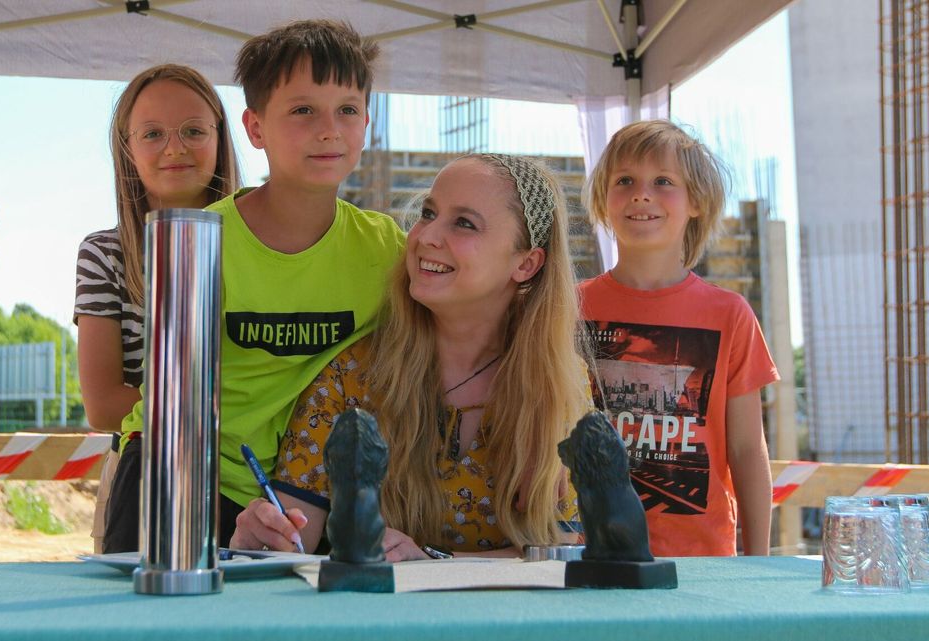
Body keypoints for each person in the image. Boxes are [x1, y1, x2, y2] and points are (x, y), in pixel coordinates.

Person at [105, 20, 406, 553]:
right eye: (302, 110)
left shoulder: (385, 249)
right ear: (255, 127)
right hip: (174, 472)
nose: (329, 129)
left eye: (348, 109)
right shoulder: (199, 242)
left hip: (303, 498)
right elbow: (174, 398)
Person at [230, 154, 591, 561]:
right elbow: (295, 534)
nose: (425, 236)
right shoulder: (354, 375)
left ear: (526, 263)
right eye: (428, 213)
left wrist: (433, 565)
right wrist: (261, 537)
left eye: (464, 223)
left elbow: (561, 553)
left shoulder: (556, 383)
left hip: (513, 624)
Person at [578, 119, 778, 556]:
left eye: (663, 181)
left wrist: (758, 560)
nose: (641, 193)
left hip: (700, 561)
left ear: (696, 203)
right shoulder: (566, 310)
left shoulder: (730, 314)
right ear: (603, 199)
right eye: (624, 180)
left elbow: (747, 450)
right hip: (584, 555)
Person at [73, 64, 240, 552]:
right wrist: (238, 406)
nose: (175, 147)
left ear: (220, 138)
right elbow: (103, 405)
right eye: (152, 133)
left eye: (193, 130)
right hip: (147, 481)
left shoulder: (263, 245)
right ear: (126, 147)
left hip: (258, 488)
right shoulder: (105, 254)